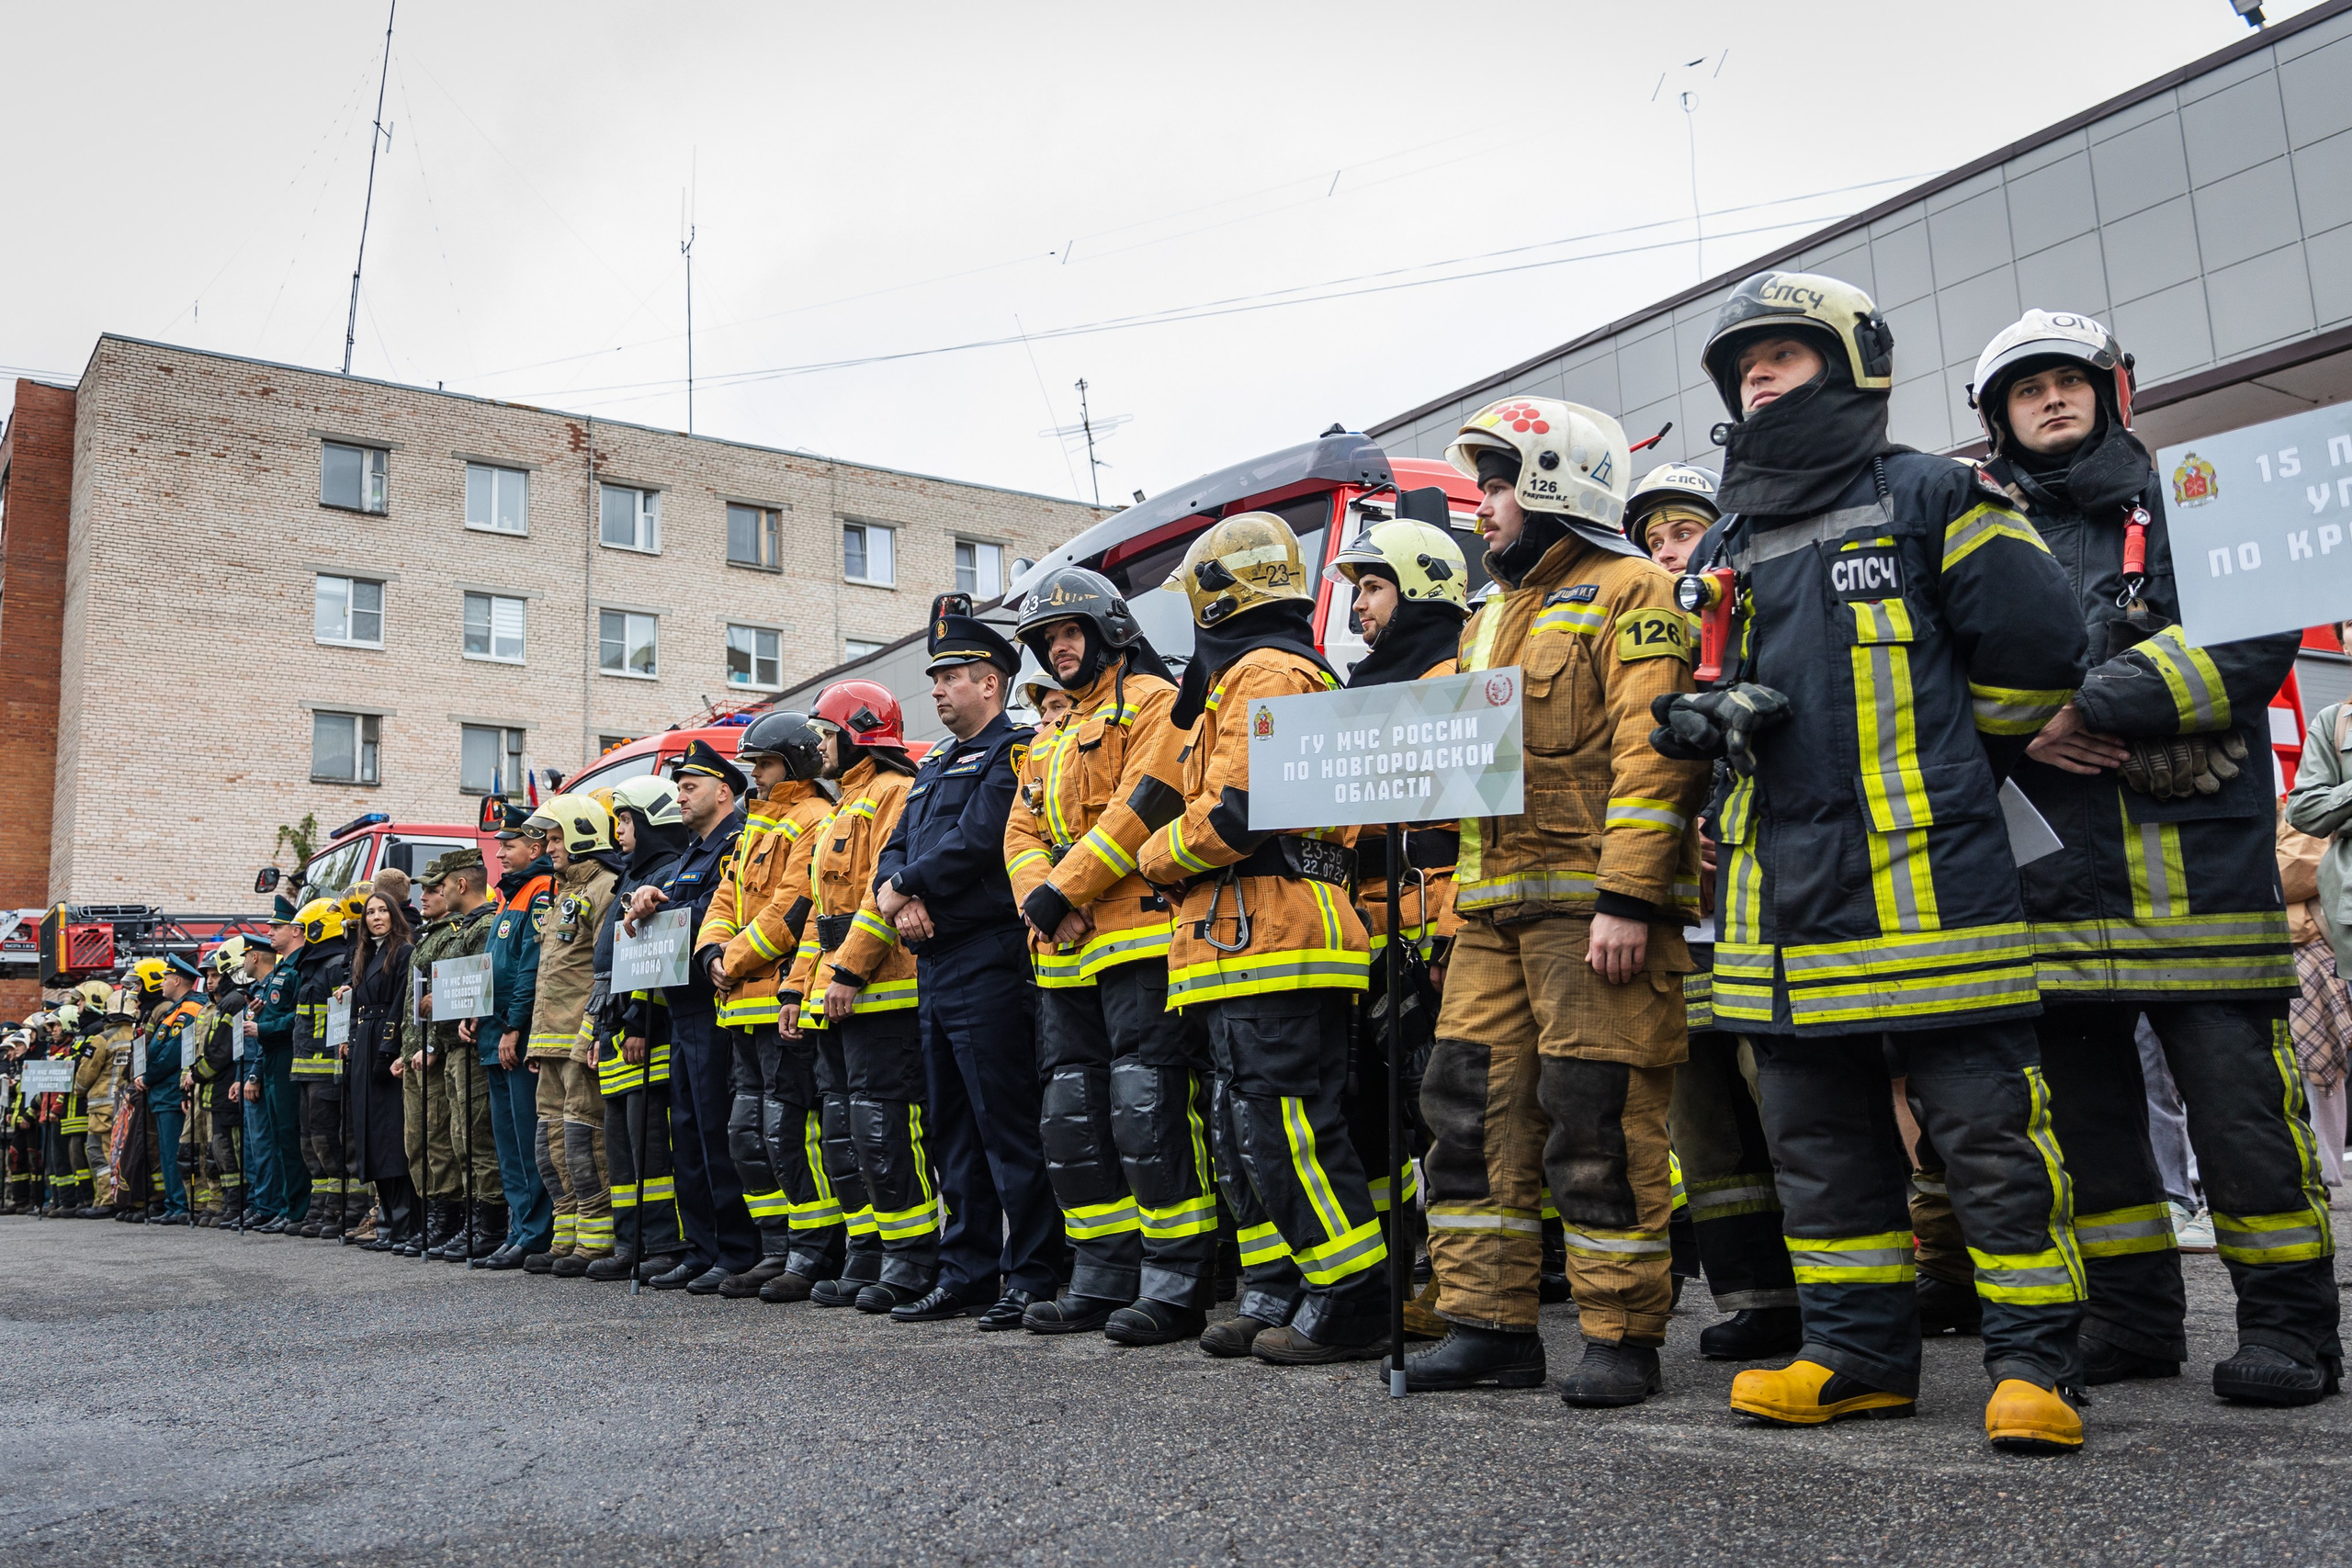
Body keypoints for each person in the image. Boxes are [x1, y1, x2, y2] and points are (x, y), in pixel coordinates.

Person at [1651, 269, 2091, 1451]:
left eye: (1782, 355)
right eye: (1742, 366)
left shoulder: (1935, 493)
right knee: (1817, 1154)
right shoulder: (1728, 537)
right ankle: (1854, 1358)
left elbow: (2038, 655)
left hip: (1928, 891)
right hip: (1778, 908)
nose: (1756, 375)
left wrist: (1945, 765)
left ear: (1851, 366)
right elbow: (1703, 673)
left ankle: (2035, 1368)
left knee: (1988, 1145)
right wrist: (1706, 714)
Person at [1967, 309, 2335, 1406]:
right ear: (1997, 417)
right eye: (2025, 388)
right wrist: (2022, 723)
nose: (2050, 400)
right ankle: (2130, 1324)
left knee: (2239, 1121)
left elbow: (2247, 640)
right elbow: (1949, 666)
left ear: (2110, 390)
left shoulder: (2189, 501)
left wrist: (2077, 700)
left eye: (2067, 381)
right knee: (2086, 1130)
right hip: (2049, 886)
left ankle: (2292, 1334)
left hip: (2197, 884)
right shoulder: (1979, 527)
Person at [1394, 400, 1709, 1405]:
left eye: (1492, 486)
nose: (1478, 509)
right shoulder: (1484, 617)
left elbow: (1652, 753)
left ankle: (1621, 1332)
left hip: (1593, 914)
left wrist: (1629, 895)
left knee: (1600, 1119)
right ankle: (1487, 1326)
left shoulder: (1637, 589)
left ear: (1547, 483)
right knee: (1466, 1112)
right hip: (1489, 913)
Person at [1136, 511, 1389, 1367]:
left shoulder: (1269, 673)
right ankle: (1281, 1286)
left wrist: (1154, 853)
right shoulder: (1243, 679)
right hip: (1239, 936)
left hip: (1275, 932)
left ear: (1220, 596)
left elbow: (1240, 812)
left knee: (1285, 1125)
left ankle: (1351, 1293)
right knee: (1245, 1130)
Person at [1619, 461, 1804, 1363]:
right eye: (1650, 540)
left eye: (1681, 532)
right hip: (1679, 924)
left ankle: (1842, 1287)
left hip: (1762, 910)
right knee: (1701, 1117)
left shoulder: (1763, 616)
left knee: (1788, 1103)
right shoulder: (1643, 644)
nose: (1665, 551)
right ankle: (1755, 1297)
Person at [841, 596, 1059, 1327]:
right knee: (950, 1128)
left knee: (1005, 1123)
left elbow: (978, 838)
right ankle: (965, 1269)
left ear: (991, 682)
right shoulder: (934, 761)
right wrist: (897, 893)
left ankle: (1030, 1272)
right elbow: (894, 846)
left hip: (988, 957)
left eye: (951, 676)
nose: (935, 689)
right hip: (933, 961)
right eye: (934, 677)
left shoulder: (1013, 751)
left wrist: (904, 886)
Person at [1003, 567, 1204, 1341]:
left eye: (1069, 633)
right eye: (1047, 640)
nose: (1057, 649)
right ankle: (1101, 1273)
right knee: (1071, 1117)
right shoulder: (1048, 736)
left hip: (1140, 940)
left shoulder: (1155, 703)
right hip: (1061, 949)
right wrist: (1041, 901)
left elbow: (1145, 805)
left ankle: (1177, 1280)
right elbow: (1018, 835)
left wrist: (1063, 892)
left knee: (1144, 1107)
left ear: (1109, 631)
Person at [1323, 515, 1467, 1342]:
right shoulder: (1364, 689)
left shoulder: (1461, 673)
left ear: (1419, 588)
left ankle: (1454, 1284)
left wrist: (1450, 928)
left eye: (1373, 588)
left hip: (1432, 919)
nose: (1359, 610)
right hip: (1367, 930)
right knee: (1381, 1122)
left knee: (1442, 1112)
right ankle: (1401, 1273)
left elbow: (1480, 821)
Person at [779, 684, 922, 1307]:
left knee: (883, 1127)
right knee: (843, 1130)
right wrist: (798, 988)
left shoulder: (892, 794)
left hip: (884, 988)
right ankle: (866, 1250)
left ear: (861, 732)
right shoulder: (845, 804)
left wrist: (851, 973)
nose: (816, 746)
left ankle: (911, 1255)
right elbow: (820, 911)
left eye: (825, 732)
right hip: (835, 989)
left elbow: (879, 895)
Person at [702, 712, 842, 1300]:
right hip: (739, 1007)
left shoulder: (813, 819)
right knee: (746, 1132)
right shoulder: (754, 827)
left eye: (762, 764)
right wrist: (710, 948)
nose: (753, 775)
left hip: (780, 1003)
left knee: (788, 1131)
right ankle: (775, 1248)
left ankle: (813, 1253)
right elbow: (726, 896)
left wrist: (728, 962)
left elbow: (792, 910)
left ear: (793, 763)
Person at [626, 740, 753, 1293]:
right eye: (679, 787)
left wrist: (667, 907)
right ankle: (702, 1248)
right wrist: (650, 897)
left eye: (690, 787)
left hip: (715, 1006)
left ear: (723, 791)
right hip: (681, 1009)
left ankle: (736, 1250)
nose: (680, 796)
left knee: (716, 1130)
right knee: (688, 1134)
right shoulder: (687, 855)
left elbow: (722, 913)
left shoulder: (734, 844)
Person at [594, 777, 693, 1282]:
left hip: (646, 1030)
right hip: (617, 1029)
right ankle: (628, 1241)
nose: (620, 832)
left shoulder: (664, 875)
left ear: (655, 823)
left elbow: (652, 957)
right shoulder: (631, 877)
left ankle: (659, 1242)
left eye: (628, 821)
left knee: (650, 1143)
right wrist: (598, 1029)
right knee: (622, 1145)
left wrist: (635, 1018)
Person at [522, 794, 624, 1278]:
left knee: (585, 1138)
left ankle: (597, 1239)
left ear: (585, 834)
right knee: (551, 1141)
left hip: (580, 1039)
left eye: (557, 836)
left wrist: (593, 1034)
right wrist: (536, 1041)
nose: (548, 845)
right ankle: (567, 1236)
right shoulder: (562, 892)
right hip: (551, 1039)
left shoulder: (605, 887)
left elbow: (604, 971)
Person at [470, 807, 557, 1270]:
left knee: (526, 1139)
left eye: (508, 845)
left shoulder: (540, 891)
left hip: (513, 1034)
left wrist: (513, 1026)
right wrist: (475, 1012)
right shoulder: (509, 895)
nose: (499, 853)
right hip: (493, 1029)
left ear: (535, 848)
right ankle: (519, 1228)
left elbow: (530, 967)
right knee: (506, 1140)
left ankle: (535, 1233)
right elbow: (493, 965)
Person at [424, 849, 506, 1262]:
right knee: (460, 1138)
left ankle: (488, 1226)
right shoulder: (464, 927)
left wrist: (439, 999)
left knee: (477, 1136)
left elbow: (482, 985)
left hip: (473, 1045)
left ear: (460, 884)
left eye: (441, 885)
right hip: (455, 1044)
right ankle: (473, 1222)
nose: (435, 892)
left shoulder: (484, 925)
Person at [345, 887, 419, 1253]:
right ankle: (388, 1218)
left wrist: (387, 1049)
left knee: (391, 1138)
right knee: (371, 1137)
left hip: (385, 1043)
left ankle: (403, 1223)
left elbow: (400, 1005)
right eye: (369, 913)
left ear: (394, 915)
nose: (375, 917)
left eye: (382, 911)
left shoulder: (403, 951)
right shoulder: (362, 955)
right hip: (364, 1042)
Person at [401, 863, 468, 1258]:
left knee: (441, 1138)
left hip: (436, 1051)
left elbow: (454, 995)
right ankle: (433, 1215)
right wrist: (405, 1049)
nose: (422, 896)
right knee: (419, 1140)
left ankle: (447, 1217)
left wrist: (431, 1048)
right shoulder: (428, 937)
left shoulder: (454, 935)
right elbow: (411, 1004)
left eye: (432, 889)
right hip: (416, 1051)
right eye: (421, 889)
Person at [2279, 804, 2346, 1189]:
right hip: (2279, 949)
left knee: (2319, 1066)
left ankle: (2326, 1167)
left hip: (2307, 953)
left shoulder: (2295, 818)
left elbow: (2294, 874)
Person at [289, 897, 358, 1238]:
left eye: (302, 931)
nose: (297, 937)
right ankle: (320, 1208)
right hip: (306, 1071)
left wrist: (339, 1068)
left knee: (330, 1141)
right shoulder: (312, 967)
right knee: (310, 1142)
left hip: (327, 1070)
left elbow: (343, 1020)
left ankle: (342, 1208)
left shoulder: (334, 964)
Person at [140, 956, 209, 1225]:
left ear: (178, 981)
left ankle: (180, 1203)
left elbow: (173, 1051)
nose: (163, 983)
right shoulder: (175, 1010)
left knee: (172, 1152)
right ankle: (174, 1203)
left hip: (169, 1090)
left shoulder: (189, 1009)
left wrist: (148, 1075)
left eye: (166, 978)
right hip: (162, 1091)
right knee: (167, 1152)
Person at [250, 910, 307, 1234]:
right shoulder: (279, 969)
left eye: (276, 927)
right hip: (272, 1060)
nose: (269, 932)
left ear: (296, 931)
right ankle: (287, 1206)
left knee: (290, 1135)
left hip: (287, 1056)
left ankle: (297, 1209)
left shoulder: (298, 966)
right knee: (278, 1137)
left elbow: (297, 1017)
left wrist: (263, 1028)